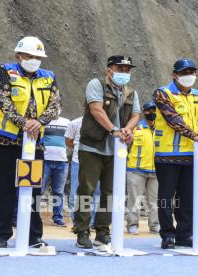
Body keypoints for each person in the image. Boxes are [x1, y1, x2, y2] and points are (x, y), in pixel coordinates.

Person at [0, 36, 60, 248]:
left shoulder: (48, 77)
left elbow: (55, 105)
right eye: (30, 56)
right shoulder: (5, 72)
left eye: (38, 57)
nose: (34, 60)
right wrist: (25, 123)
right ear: (18, 55)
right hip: (6, 141)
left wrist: (38, 122)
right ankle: (1, 234)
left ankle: (33, 236)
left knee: (33, 190)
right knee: (3, 189)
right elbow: (4, 102)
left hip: (34, 143)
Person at [75, 55, 140, 249]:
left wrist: (127, 129)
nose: (124, 73)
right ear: (109, 70)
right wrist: (114, 130)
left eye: (127, 70)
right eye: (120, 68)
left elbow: (136, 115)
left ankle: (102, 230)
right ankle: (82, 231)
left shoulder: (130, 93)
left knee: (110, 192)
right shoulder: (96, 85)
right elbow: (96, 110)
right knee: (86, 190)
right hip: (93, 147)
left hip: (117, 151)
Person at [153, 58, 198, 249]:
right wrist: (197, 136)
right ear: (175, 75)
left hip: (192, 156)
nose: (189, 76)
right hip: (167, 155)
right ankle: (167, 235)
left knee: (188, 198)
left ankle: (185, 235)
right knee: (166, 197)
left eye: (192, 73)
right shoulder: (163, 93)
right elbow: (173, 120)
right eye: (184, 73)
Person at [125, 102, 159, 235]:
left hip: (156, 171)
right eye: (148, 110)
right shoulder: (135, 128)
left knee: (155, 201)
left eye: (154, 110)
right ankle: (132, 225)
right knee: (134, 200)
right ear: (143, 112)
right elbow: (126, 146)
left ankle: (155, 225)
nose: (152, 113)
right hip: (136, 170)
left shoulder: (162, 128)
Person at [65, 115, 100, 229]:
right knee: (75, 193)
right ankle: (77, 223)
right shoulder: (74, 123)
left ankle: (92, 223)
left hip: (97, 162)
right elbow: (69, 141)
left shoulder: (103, 123)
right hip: (78, 162)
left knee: (96, 194)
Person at [42, 109, 69, 227]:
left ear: (61, 109)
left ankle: (58, 218)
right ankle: (34, 217)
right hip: (44, 161)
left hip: (62, 162)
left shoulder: (67, 122)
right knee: (39, 190)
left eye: (58, 107)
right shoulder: (42, 121)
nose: (55, 110)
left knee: (58, 192)